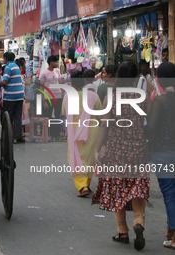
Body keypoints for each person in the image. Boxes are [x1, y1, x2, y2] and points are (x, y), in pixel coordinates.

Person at [92, 62, 150, 251]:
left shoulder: (113, 98)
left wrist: (97, 150)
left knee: (118, 188)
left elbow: (105, 125)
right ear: (135, 78)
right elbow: (150, 122)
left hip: (116, 150)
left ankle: (122, 231)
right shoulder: (144, 98)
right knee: (137, 186)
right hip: (138, 150)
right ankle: (138, 223)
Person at [144, 62, 175, 249]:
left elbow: (151, 128)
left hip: (163, 152)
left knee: (170, 195)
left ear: (159, 80)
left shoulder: (160, 101)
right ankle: (170, 230)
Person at [62, 70, 102, 196]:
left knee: (75, 157)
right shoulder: (93, 96)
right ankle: (86, 184)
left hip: (74, 131)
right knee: (89, 158)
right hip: (92, 129)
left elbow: (64, 113)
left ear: (71, 83)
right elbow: (100, 112)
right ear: (84, 81)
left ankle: (83, 186)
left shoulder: (68, 96)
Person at [0, 52, 25, 144]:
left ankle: (7, 136)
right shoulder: (16, 66)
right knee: (17, 117)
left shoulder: (8, 67)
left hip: (10, 96)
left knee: (7, 117)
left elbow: (5, 81)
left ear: (5, 58)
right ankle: (17, 137)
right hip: (19, 95)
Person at [40, 56, 64, 141]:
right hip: (48, 98)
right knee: (48, 116)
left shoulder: (57, 71)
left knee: (57, 116)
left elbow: (60, 83)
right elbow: (41, 88)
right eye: (55, 62)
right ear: (50, 62)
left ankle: (56, 135)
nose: (56, 64)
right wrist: (43, 101)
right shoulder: (44, 73)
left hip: (58, 97)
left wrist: (62, 94)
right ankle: (48, 134)